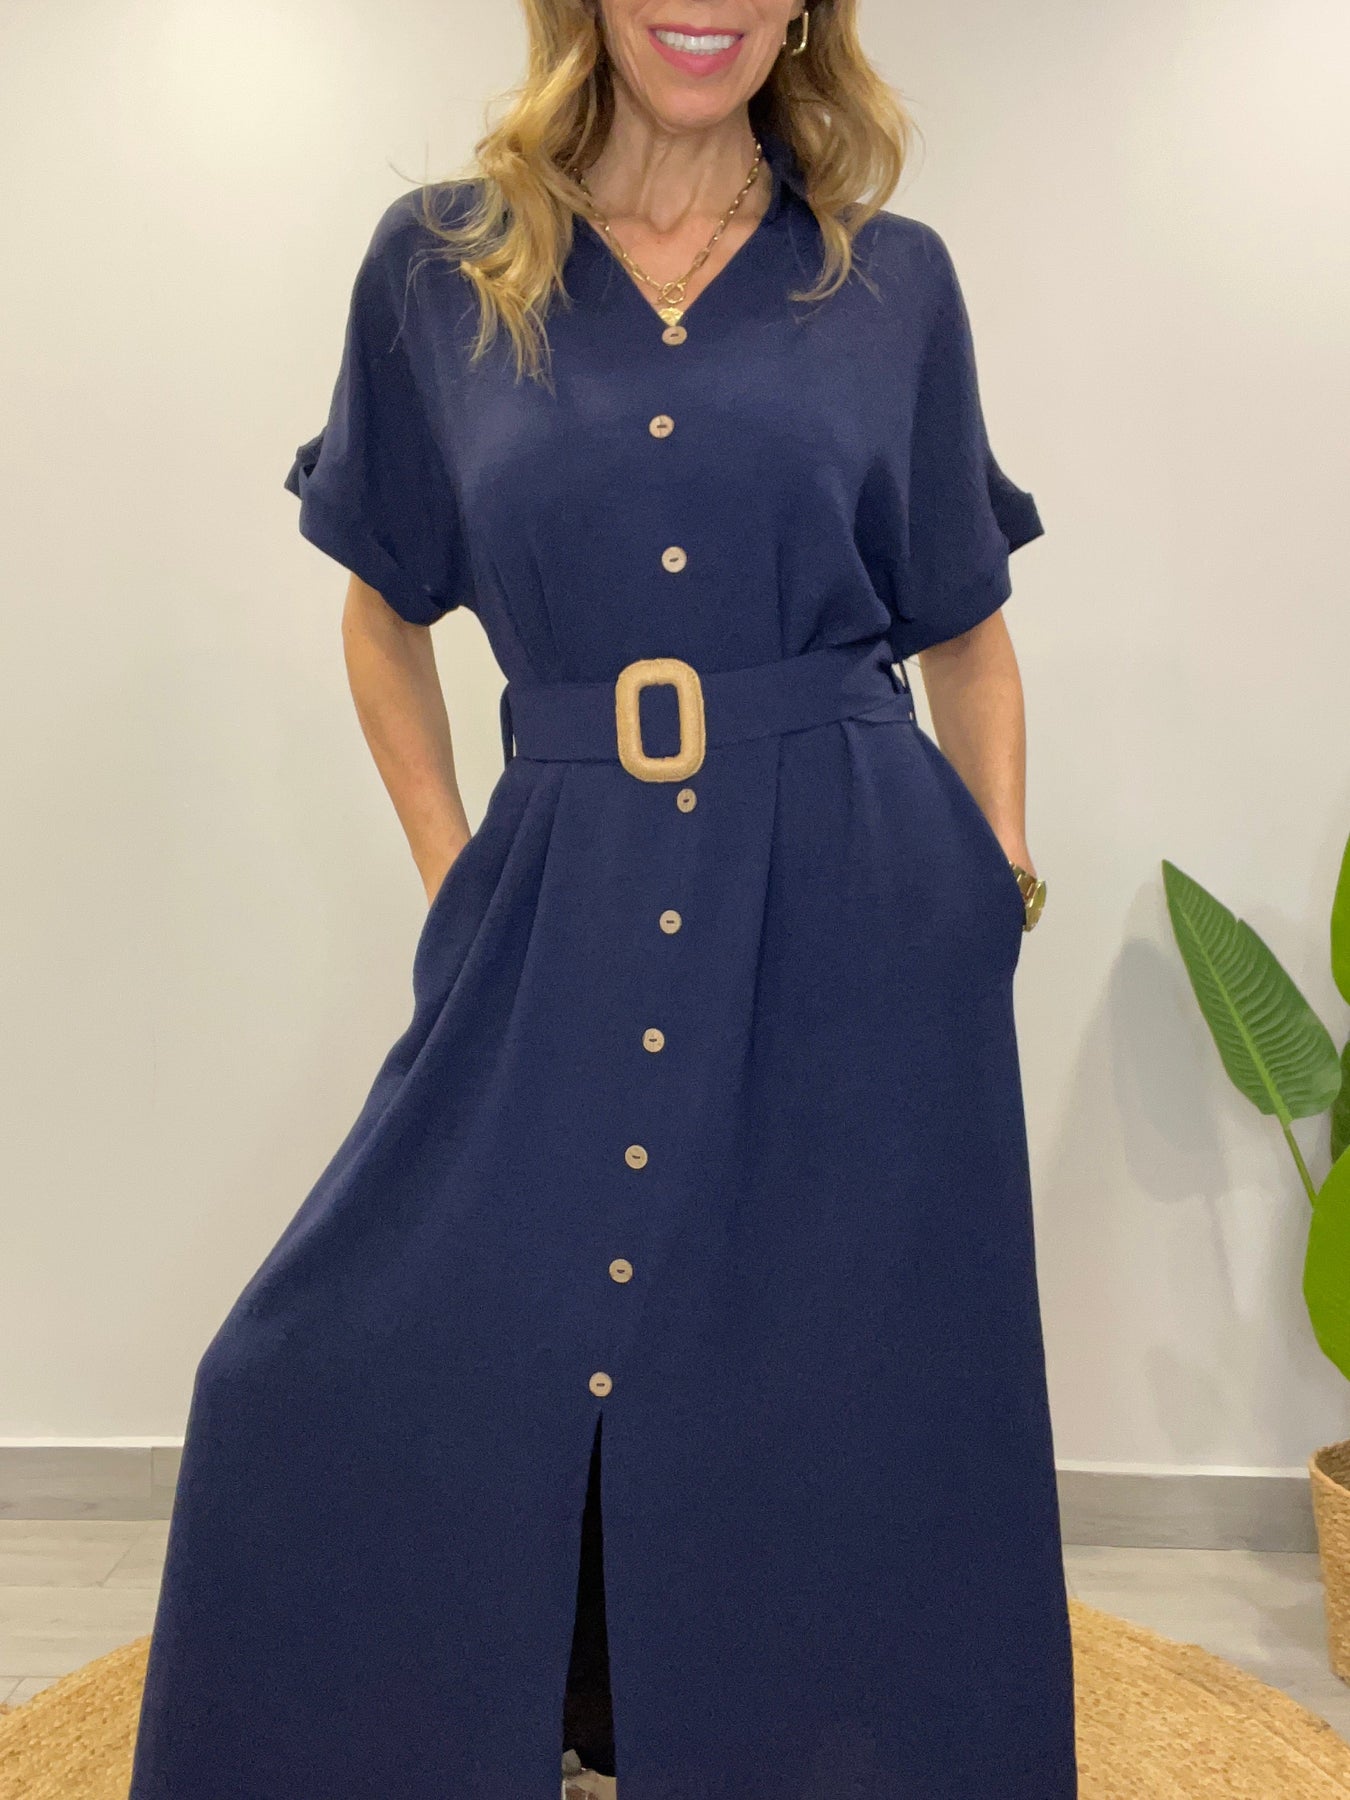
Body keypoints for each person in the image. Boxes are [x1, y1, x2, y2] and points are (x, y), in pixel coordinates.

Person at [126, 2, 1074, 1796]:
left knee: (830, 1368)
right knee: (302, 1369)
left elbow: (966, 625)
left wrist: (990, 883)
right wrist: (454, 878)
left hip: (852, 889)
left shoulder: (890, 282)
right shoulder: (439, 265)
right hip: (560, 875)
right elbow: (381, 611)